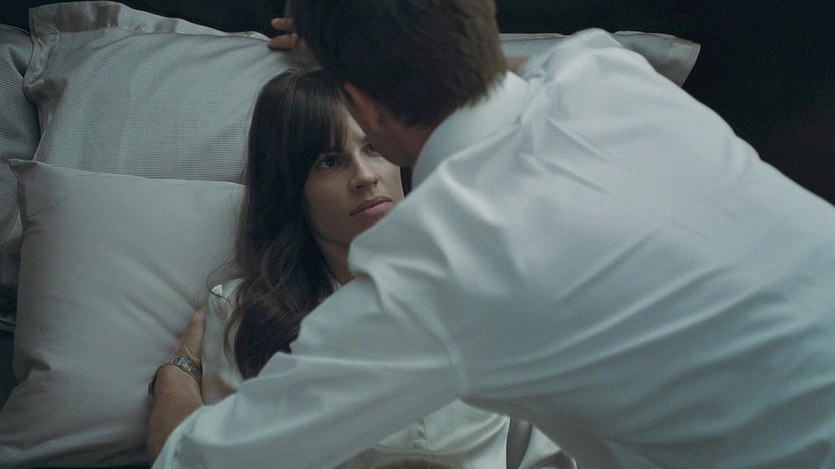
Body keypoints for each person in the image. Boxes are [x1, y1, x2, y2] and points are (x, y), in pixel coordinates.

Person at [149, 1, 835, 467]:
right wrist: (368, 56)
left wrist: (174, 375)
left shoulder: (440, 264)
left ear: (362, 101)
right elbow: (477, 74)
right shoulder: (603, 70)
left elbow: (201, 461)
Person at [155, 68, 575, 468]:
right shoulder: (249, 315)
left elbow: (552, 454)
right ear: (293, 192)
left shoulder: (494, 291)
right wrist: (179, 372)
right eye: (329, 161)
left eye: (373, 147)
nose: (364, 176)